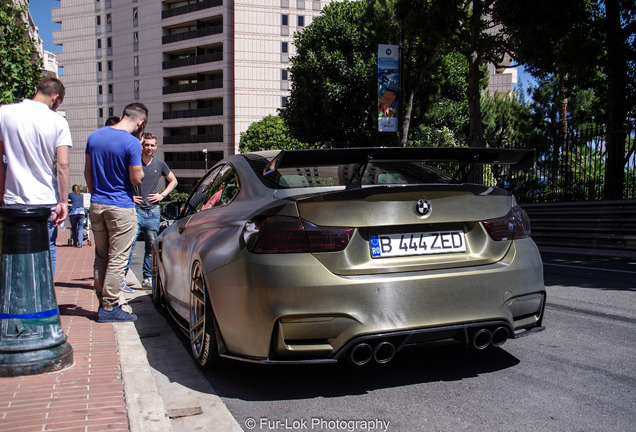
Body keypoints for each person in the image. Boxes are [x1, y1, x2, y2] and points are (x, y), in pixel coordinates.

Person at [0, 77, 72, 276]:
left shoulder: (4, 113)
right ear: (55, 98)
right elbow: (63, 165)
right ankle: (45, 299)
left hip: (12, 201)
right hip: (44, 201)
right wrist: (63, 202)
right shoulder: (58, 121)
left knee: (13, 254)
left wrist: (2, 192)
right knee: (47, 251)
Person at [85, 103, 146, 322]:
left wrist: (96, 195)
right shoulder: (131, 143)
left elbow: (87, 172)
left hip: (97, 203)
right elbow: (136, 178)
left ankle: (102, 302)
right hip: (120, 205)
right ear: (141, 123)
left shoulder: (95, 137)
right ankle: (110, 307)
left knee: (101, 255)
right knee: (118, 258)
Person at [123, 132, 178, 291]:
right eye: (146, 145)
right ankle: (122, 278)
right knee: (129, 245)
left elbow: (173, 181)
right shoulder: (134, 163)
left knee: (150, 247)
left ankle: (147, 278)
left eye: (152, 145)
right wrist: (130, 196)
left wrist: (162, 195)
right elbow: (122, 181)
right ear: (142, 146)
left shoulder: (160, 164)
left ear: (156, 146)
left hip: (153, 212)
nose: (149, 148)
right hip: (135, 211)